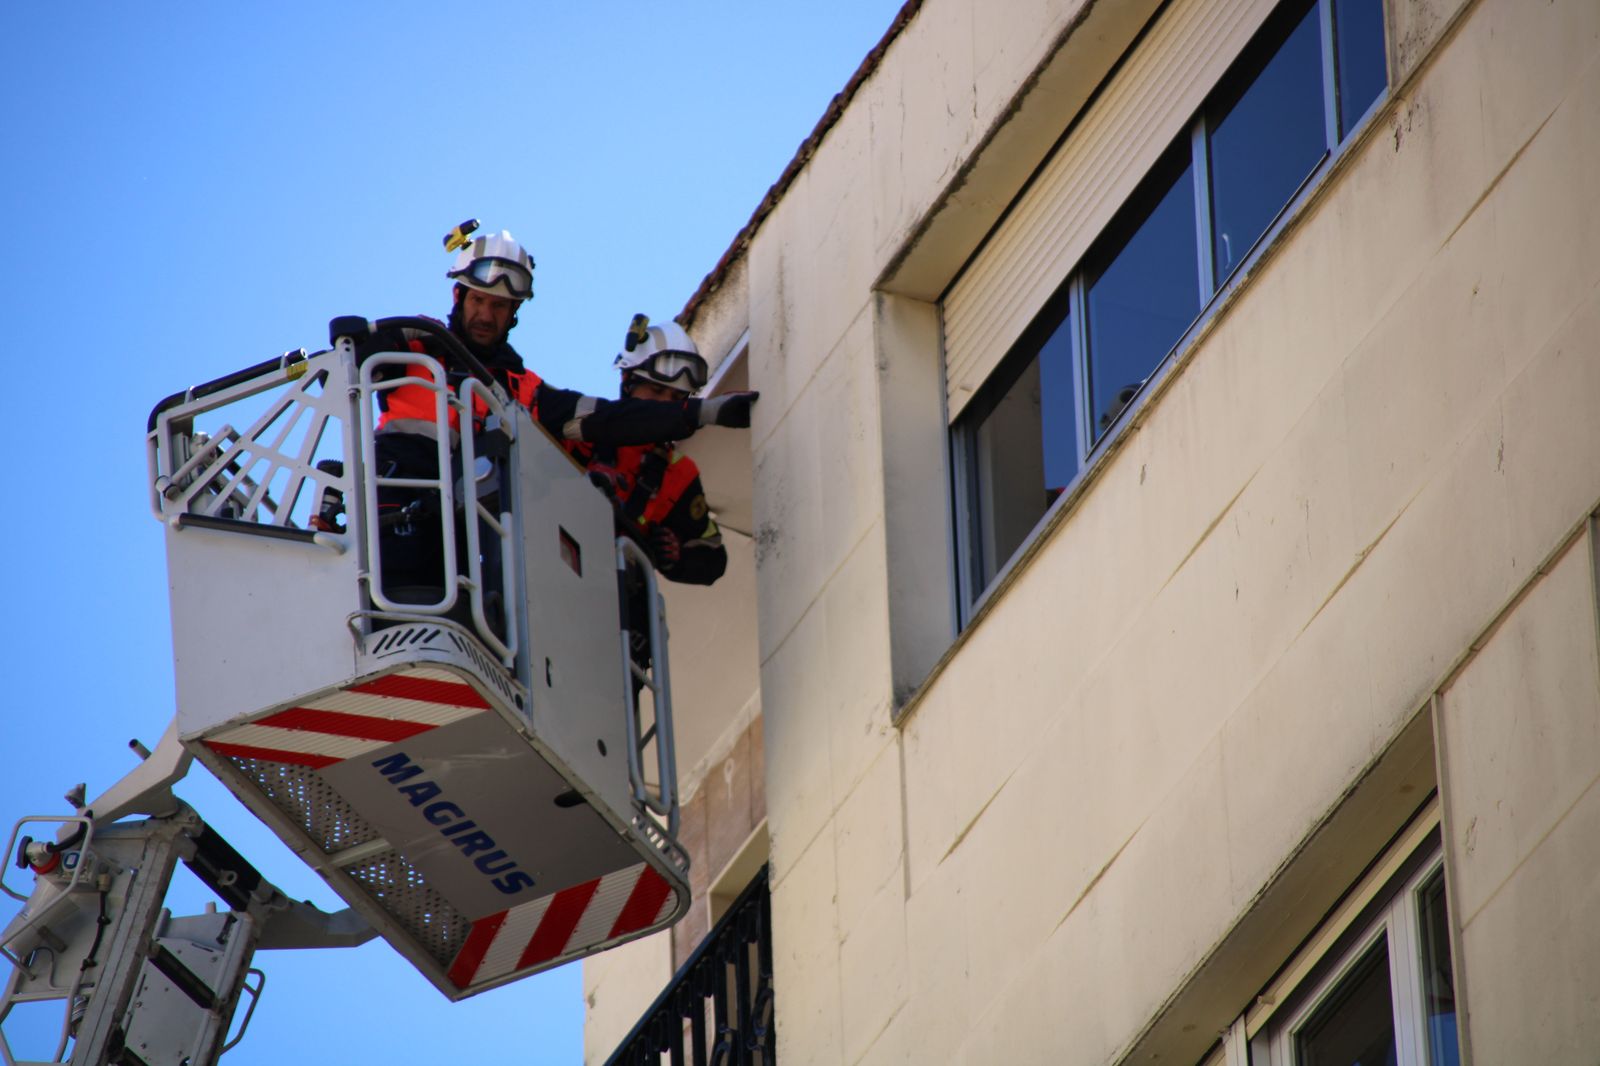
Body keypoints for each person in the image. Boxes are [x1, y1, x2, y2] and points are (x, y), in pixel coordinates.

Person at [362, 227, 757, 602]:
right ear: (458, 297)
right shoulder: (417, 350)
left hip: (470, 541)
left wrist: (705, 412)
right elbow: (355, 352)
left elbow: (608, 419)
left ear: (514, 311)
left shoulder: (527, 391)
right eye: (478, 300)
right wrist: (391, 335)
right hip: (398, 505)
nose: (486, 314)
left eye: (498, 305)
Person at [566, 317, 727, 587]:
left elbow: (712, 558)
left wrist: (675, 557)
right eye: (656, 391)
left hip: (616, 603)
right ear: (627, 382)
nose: (665, 407)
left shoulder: (678, 475)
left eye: (677, 399)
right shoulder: (582, 426)